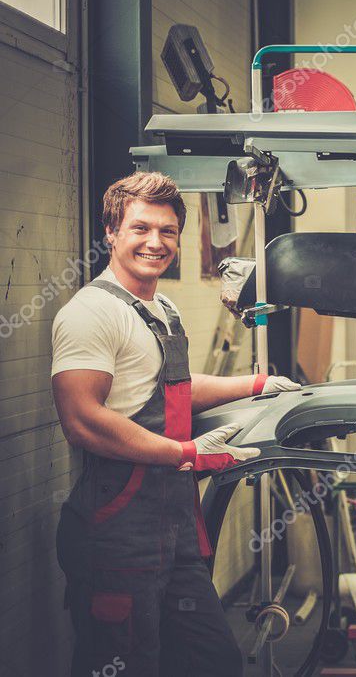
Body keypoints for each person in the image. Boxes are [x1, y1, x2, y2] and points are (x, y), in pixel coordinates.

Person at [52, 172, 299, 676]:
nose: (154, 242)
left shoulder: (161, 307)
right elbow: (82, 420)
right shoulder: (90, 313)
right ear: (111, 233)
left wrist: (254, 385)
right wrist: (185, 454)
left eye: (167, 231)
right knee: (124, 665)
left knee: (212, 660)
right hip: (116, 530)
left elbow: (175, 387)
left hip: (174, 528)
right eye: (140, 228)